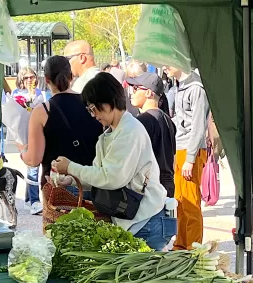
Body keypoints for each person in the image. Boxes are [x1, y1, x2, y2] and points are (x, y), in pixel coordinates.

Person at [51, 72, 176, 251]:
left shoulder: (129, 132)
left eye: (93, 108)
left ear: (108, 103)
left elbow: (111, 177)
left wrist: (71, 167)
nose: (93, 115)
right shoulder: (109, 134)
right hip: (136, 220)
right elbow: (98, 175)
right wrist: (71, 179)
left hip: (147, 222)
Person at [19, 56, 103, 190]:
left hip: (57, 187)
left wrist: (22, 150)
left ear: (46, 79)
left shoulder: (43, 111)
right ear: (71, 76)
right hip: (90, 183)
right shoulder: (91, 104)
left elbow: (33, 159)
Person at [163, 66, 209, 250]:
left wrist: (190, 159)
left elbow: (198, 127)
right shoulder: (181, 85)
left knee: (190, 203)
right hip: (182, 148)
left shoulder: (196, 87)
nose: (164, 68)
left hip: (191, 150)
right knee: (180, 201)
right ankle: (182, 244)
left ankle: (193, 247)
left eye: (167, 62)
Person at [127, 72, 177, 197]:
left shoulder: (142, 121)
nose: (131, 92)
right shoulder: (167, 120)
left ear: (148, 93)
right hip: (168, 185)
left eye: (135, 88)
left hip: (150, 189)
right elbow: (173, 158)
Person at [13, 66, 45, 215]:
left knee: (33, 166)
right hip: (23, 134)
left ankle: (28, 199)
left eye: (32, 77)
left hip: (37, 133)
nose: (29, 80)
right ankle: (34, 201)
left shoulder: (40, 94)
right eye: (26, 77)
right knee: (33, 166)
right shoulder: (16, 94)